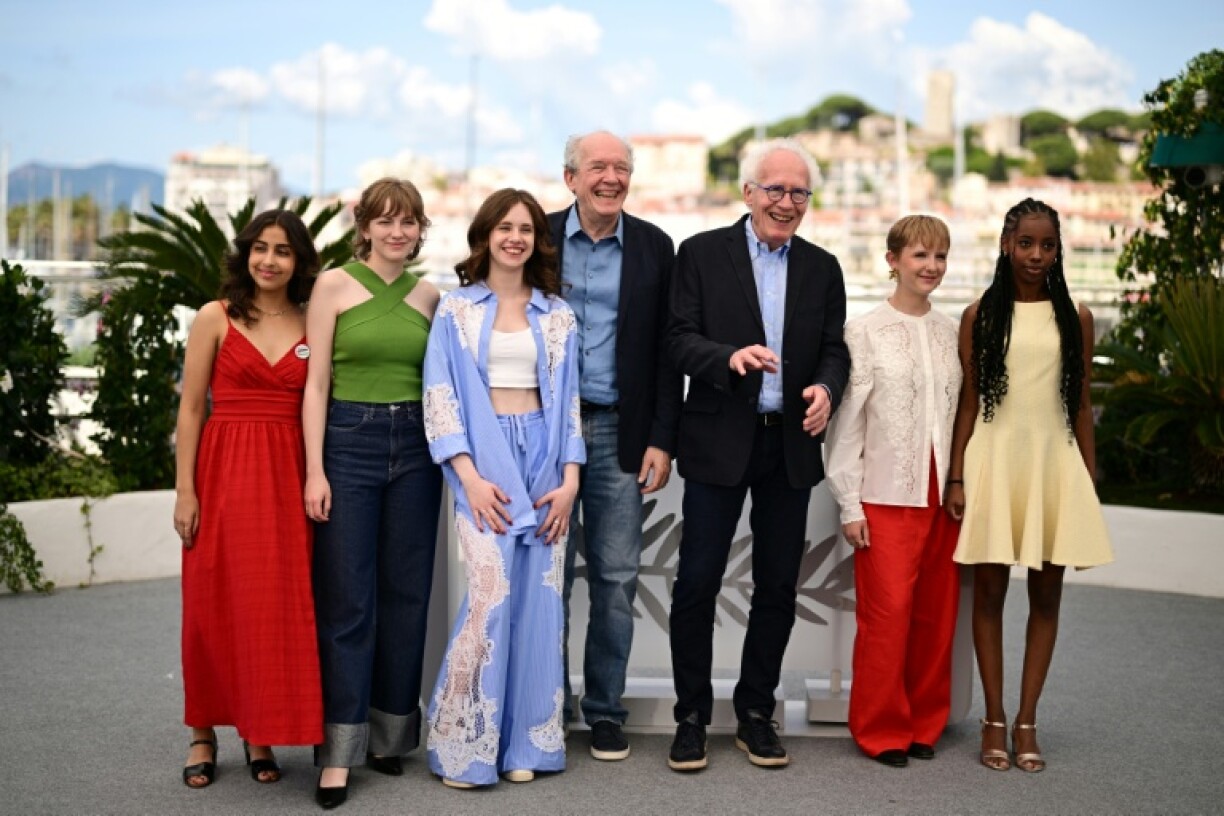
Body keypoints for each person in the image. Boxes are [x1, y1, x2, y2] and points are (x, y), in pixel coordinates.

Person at [665, 138, 850, 772]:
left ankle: (755, 713)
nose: (786, 201)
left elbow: (835, 349)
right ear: (747, 193)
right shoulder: (699, 254)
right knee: (696, 583)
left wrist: (827, 388)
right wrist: (727, 359)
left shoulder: (824, 268)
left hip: (789, 444)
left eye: (799, 191)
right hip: (717, 439)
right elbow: (678, 340)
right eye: (774, 188)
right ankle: (690, 716)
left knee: (776, 587)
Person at [422, 188, 584, 788]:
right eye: (504, 227)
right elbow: (439, 396)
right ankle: (464, 747)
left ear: (537, 240)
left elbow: (568, 402)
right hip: (482, 465)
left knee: (541, 604)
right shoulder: (455, 310)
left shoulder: (558, 314)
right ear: (486, 235)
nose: (515, 237)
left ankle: (528, 747)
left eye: (526, 229)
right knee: (490, 599)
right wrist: (468, 477)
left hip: (545, 461)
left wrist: (569, 480)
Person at [945, 198, 1113, 774]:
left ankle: (1027, 720)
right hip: (994, 459)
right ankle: (993, 718)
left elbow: (1082, 401)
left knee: (1047, 597)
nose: (1036, 255)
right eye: (1026, 244)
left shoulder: (1077, 318)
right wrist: (958, 476)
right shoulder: (980, 315)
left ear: (1058, 249)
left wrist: (1088, 476)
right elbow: (970, 399)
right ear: (1005, 246)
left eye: (1047, 245)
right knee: (989, 596)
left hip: (1054, 462)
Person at [302, 178, 442, 809]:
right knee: (348, 601)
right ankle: (338, 752)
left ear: (419, 229)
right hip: (347, 444)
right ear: (363, 225)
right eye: (384, 221)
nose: (396, 231)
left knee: (408, 595)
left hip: (417, 446)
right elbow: (315, 384)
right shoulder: (332, 284)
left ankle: (389, 738)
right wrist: (315, 470)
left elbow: (445, 382)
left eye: (407, 221)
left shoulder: (431, 296)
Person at [175, 209, 323, 789]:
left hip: (286, 474)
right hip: (223, 471)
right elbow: (190, 408)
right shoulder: (216, 316)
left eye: (282, 251)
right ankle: (202, 731)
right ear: (245, 253)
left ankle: (257, 731)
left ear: (299, 261)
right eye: (260, 248)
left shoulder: (314, 319)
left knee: (268, 603)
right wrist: (185, 489)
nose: (269, 260)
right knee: (212, 600)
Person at [547, 130, 681, 761]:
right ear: (570, 176)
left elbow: (666, 351)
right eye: (598, 167)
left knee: (616, 579)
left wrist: (661, 436)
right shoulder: (535, 238)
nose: (611, 178)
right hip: (544, 435)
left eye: (621, 168)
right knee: (547, 576)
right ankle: (545, 704)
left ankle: (604, 711)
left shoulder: (656, 247)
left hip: (621, 434)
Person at [825, 215, 962, 768]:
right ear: (893, 261)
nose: (931, 267)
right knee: (887, 618)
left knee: (936, 616)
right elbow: (847, 424)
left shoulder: (953, 331)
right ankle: (881, 728)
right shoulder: (864, 330)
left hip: (944, 497)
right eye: (920, 256)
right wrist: (849, 502)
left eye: (940, 257)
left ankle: (926, 721)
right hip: (885, 495)